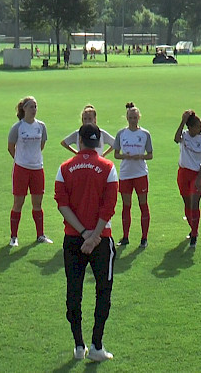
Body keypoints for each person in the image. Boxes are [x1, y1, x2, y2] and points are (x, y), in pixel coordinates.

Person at [54, 123, 119, 362]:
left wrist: (83, 233)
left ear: (80, 142)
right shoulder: (108, 167)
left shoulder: (65, 168)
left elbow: (62, 204)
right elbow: (109, 206)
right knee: (103, 291)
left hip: (74, 239)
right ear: (99, 142)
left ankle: (79, 345)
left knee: (74, 291)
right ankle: (97, 345)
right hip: (102, 240)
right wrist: (94, 237)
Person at [7, 96, 52, 246]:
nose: (34, 110)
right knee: (18, 203)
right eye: (31, 106)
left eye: (35, 106)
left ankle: (40, 235)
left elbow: (42, 144)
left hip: (37, 168)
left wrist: (33, 158)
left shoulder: (41, 126)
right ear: (24, 108)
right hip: (21, 169)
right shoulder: (18, 127)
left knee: (37, 203)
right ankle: (14, 237)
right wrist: (20, 159)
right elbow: (10, 147)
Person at [113, 102, 153, 247]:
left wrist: (140, 157)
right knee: (126, 205)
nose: (133, 120)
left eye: (135, 117)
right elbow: (116, 154)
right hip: (125, 174)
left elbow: (150, 155)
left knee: (143, 204)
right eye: (130, 118)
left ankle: (144, 238)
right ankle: (125, 237)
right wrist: (126, 156)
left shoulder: (145, 134)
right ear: (127, 118)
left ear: (139, 118)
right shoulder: (121, 134)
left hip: (140, 173)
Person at [174, 110, 201, 247]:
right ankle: (192, 228)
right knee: (187, 204)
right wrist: (183, 120)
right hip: (183, 174)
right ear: (190, 127)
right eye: (198, 126)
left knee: (195, 204)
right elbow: (176, 138)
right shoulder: (184, 136)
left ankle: (194, 234)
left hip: (196, 174)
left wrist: (199, 178)